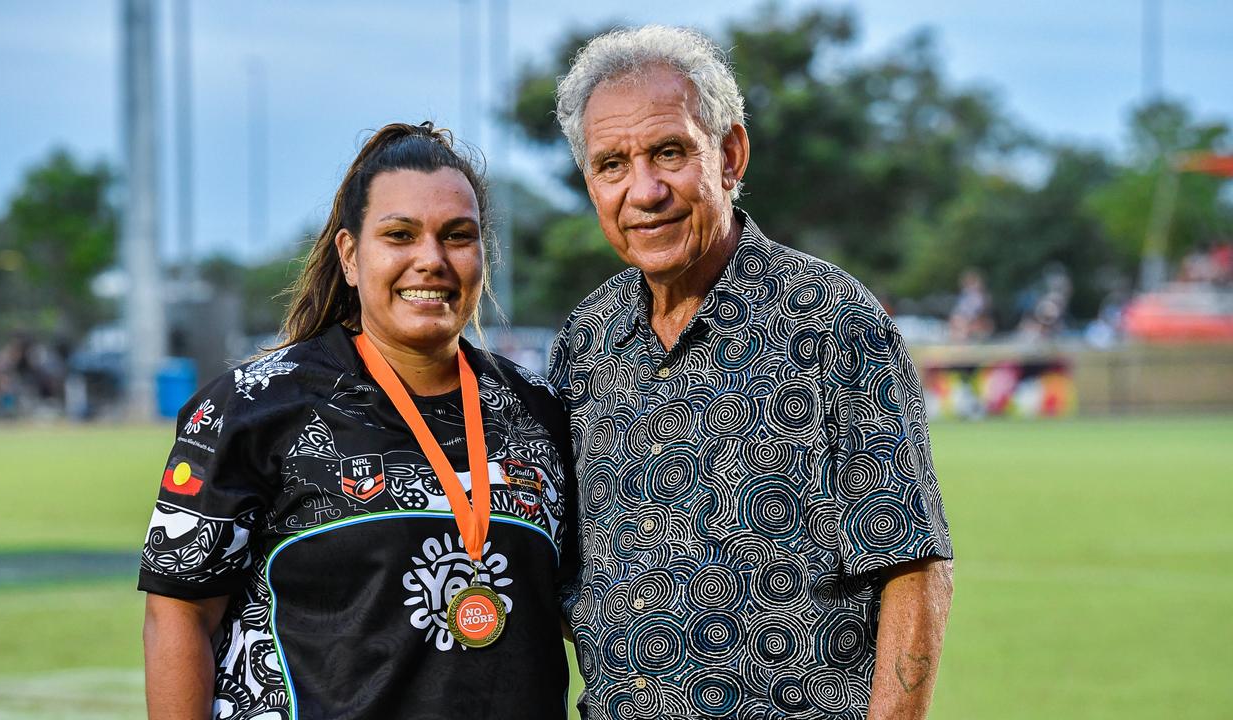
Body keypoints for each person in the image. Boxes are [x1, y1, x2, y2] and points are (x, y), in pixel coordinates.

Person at [548, 27, 954, 719]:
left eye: (668, 152)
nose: (643, 190)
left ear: (729, 153)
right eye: (611, 164)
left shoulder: (831, 320)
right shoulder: (585, 341)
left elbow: (914, 566)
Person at [139, 122, 575, 720]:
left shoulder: (541, 410)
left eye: (458, 236)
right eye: (400, 235)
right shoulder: (252, 408)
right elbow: (180, 613)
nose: (432, 260)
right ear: (350, 254)